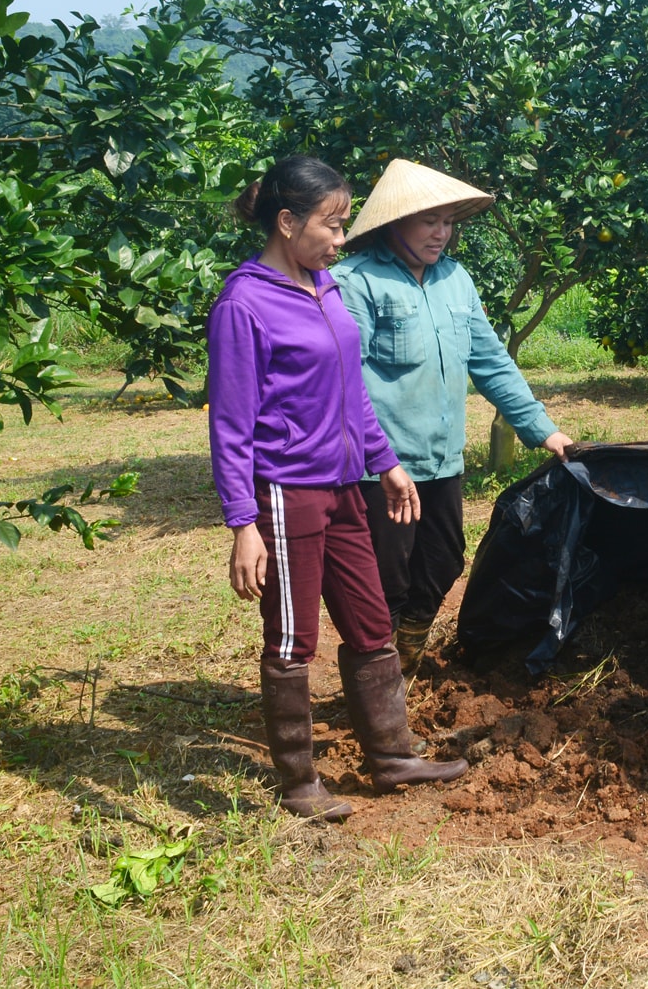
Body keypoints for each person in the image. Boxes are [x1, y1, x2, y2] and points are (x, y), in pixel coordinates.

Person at [207, 155, 468, 821]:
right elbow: (232, 426)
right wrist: (242, 524)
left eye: (345, 224)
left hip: (346, 486)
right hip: (287, 490)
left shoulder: (325, 289)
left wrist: (387, 461)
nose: (340, 239)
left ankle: (391, 755)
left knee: (372, 620)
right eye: (330, 224)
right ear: (287, 221)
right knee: (293, 636)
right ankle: (298, 783)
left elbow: (351, 392)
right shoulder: (245, 303)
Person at [333, 159, 576, 672]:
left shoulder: (455, 279)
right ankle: (381, 684)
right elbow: (343, 382)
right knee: (385, 577)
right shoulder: (356, 282)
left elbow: (490, 362)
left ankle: (405, 655)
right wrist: (380, 459)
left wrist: (544, 430)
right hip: (382, 466)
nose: (441, 233)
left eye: (448, 222)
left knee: (443, 563)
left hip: (441, 461)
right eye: (429, 221)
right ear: (395, 222)